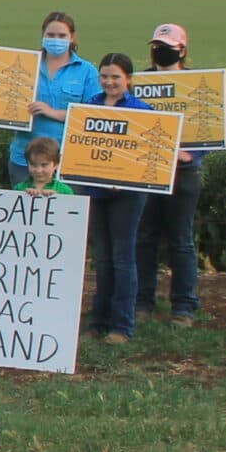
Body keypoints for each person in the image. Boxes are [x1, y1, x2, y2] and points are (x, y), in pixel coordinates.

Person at [86, 53, 160, 345]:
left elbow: (149, 155)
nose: (109, 82)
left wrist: (123, 178)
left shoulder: (142, 109)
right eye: (105, 76)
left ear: (128, 79)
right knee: (102, 259)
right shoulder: (89, 105)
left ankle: (122, 327)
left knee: (123, 258)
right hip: (95, 190)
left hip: (128, 194)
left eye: (115, 76)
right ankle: (97, 323)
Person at [136, 23, 204, 328]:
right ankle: (142, 303)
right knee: (145, 237)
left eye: (168, 46)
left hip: (185, 171)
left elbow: (210, 128)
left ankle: (184, 306)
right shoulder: (138, 84)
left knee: (181, 240)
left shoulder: (198, 85)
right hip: (146, 170)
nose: (160, 51)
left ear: (183, 51)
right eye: (156, 45)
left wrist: (194, 154)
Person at [14, 11, 102, 191]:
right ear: (43, 36)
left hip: (69, 160)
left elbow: (95, 116)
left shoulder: (87, 71)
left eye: (62, 35)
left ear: (72, 37)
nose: (56, 40)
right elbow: (4, 104)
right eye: (50, 35)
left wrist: (52, 112)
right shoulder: (25, 65)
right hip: (25, 160)